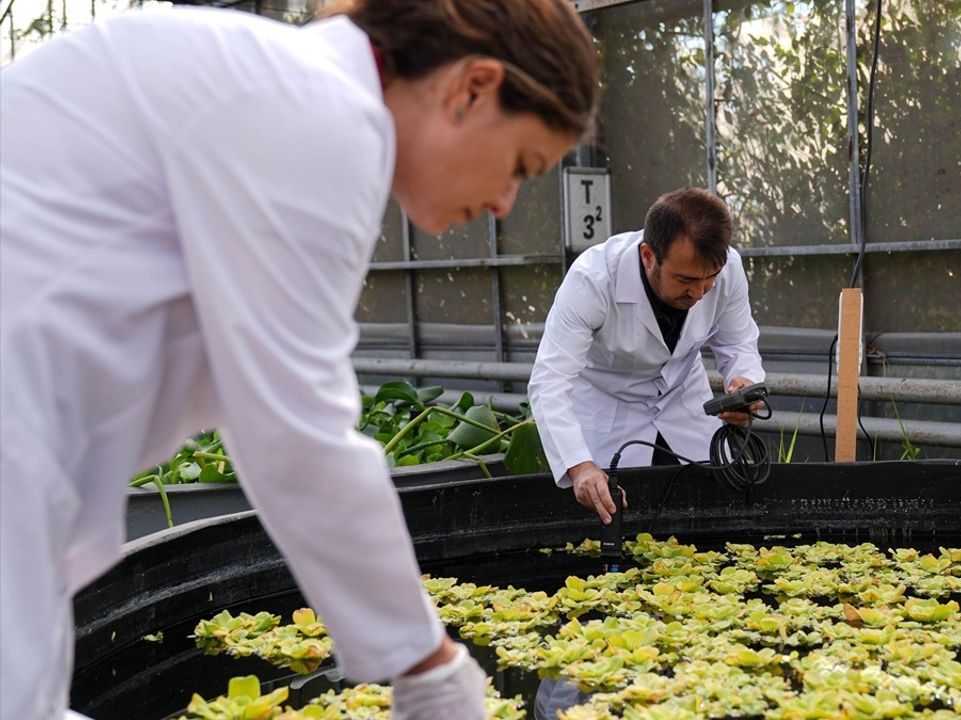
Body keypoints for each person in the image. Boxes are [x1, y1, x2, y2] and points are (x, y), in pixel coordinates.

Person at [0, 0, 597, 716]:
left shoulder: (286, 85)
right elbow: (295, 433)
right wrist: (431, 666)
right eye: (521, 165)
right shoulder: (323, 115)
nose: (506, 202)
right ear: (472, 87)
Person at [528, 188, 765, 523]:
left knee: (709, 514)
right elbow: (549, 382)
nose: (698, 293)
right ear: (648, 256)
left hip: (683, 401)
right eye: (685, 280)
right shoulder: (592, 280)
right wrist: (579, 467)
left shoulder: (729, 270)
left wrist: (743, 387)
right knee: (617, 522)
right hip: (608, 408)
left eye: (708, 280)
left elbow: (737, 343)